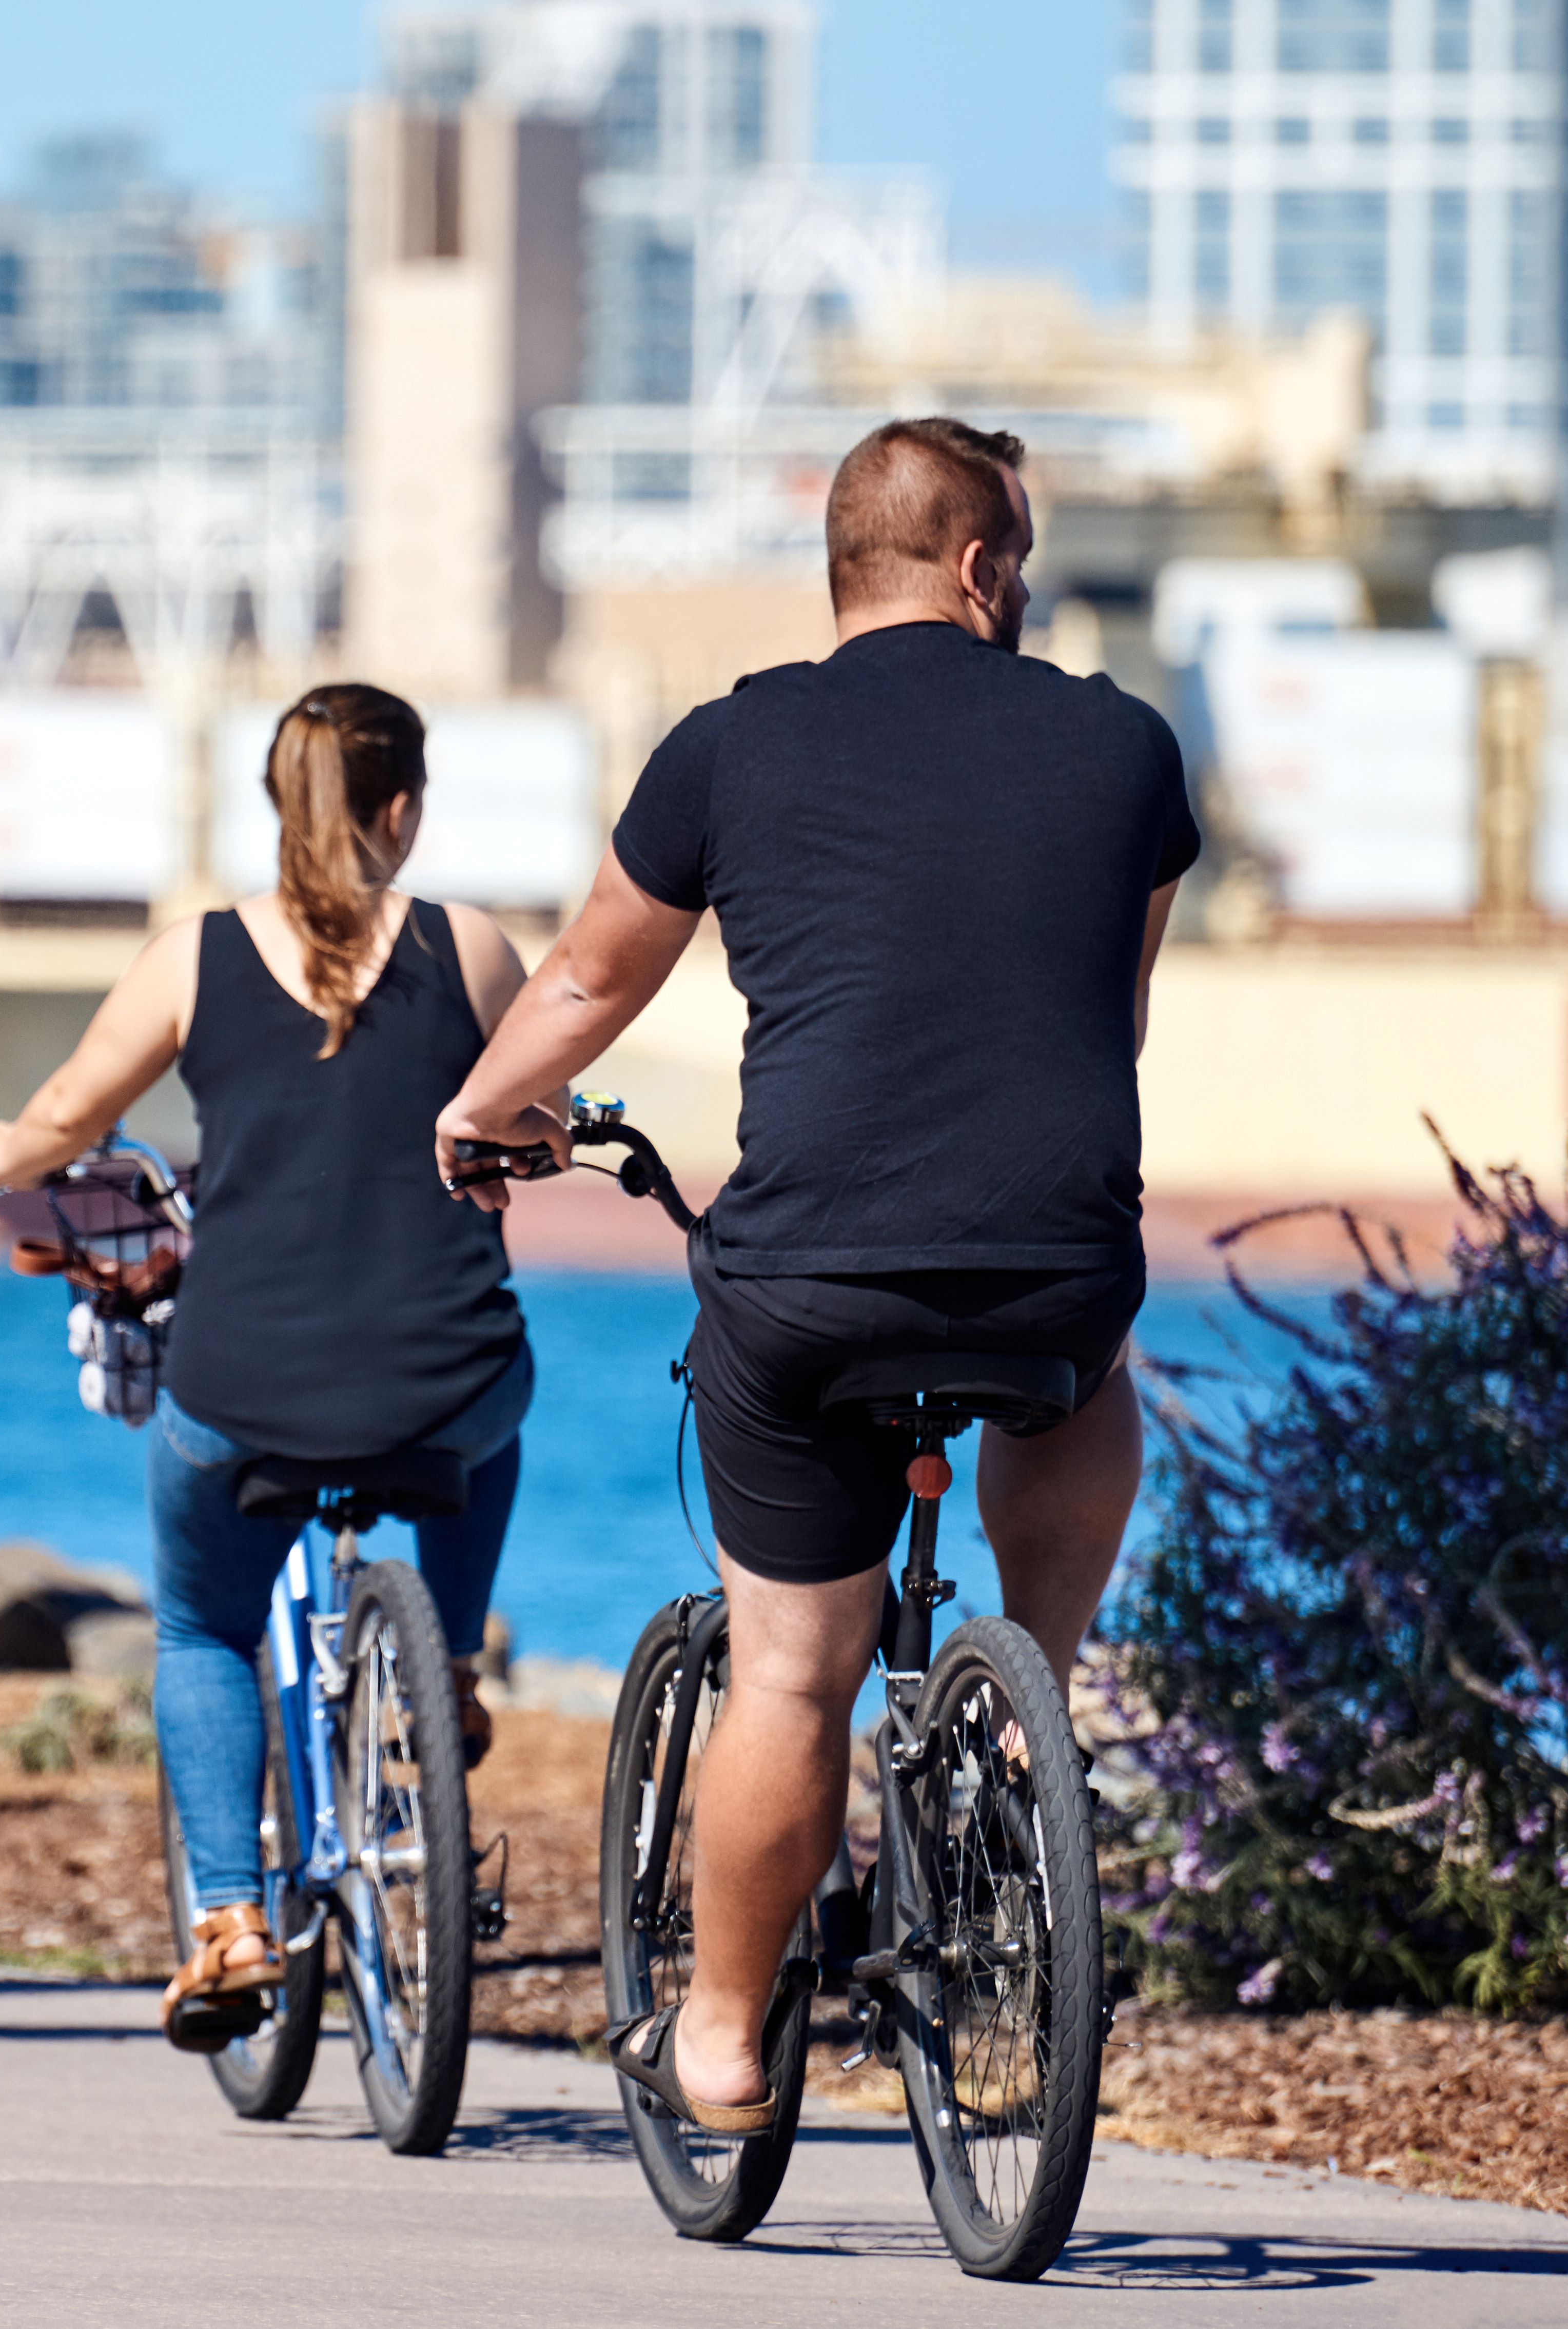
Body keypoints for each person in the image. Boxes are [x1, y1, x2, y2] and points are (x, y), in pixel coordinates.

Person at [433, 418, 1195, 2131]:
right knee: (1083, 1362)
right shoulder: (1126, 748)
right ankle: (1030, 1697)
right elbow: (1108, 1015)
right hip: (1051, 1261)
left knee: (787, 1666)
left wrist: (480, 1109)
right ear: (983, 567)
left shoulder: (726, 746)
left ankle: (715, 2034)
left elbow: (580, 977)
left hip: (807, 1281)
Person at [0, 682, 559, 2052]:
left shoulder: (194, 956)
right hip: (442, 1378)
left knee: (197, 1626)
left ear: (273, 807)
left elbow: (59, 1121)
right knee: (494, 1409)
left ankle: (228, 1916)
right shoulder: (471, 946)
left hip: (242, 1388)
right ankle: (453, 1659)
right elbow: (545, 1118)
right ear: (402, 807)